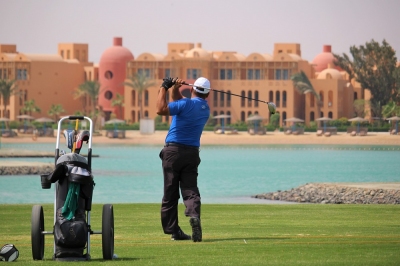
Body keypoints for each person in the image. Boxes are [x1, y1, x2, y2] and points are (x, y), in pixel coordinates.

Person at [156, 76, 211, 242]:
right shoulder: (205, 108)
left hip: (173, 152)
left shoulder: (185, 104)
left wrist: (164, 87)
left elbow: (161, 109)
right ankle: (194, 215)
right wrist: (175, 89)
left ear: (192, 89)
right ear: (207, 95)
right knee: (190, 189)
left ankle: (174, 230)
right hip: (192, 153)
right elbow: (180, 102)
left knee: (171, 192)